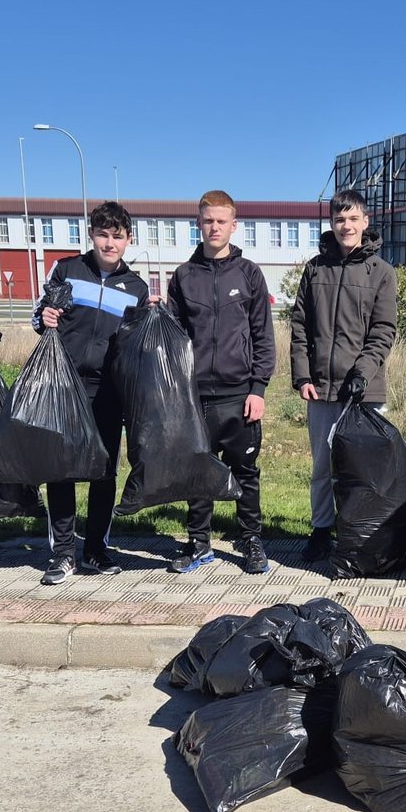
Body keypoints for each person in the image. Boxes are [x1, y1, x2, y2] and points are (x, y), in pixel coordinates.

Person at [30, 201, 150, 586]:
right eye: (103, 234)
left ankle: (95, 549)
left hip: (109, 392)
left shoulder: (137, 288)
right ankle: (63, 554)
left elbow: (138, 345)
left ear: (128, 240)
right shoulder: (67, 270)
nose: (109, 243)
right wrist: (44, 317)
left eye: (117, 236)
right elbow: (40, 315)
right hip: (64, 384)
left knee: (103, 470)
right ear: (91, 235)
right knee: (59, 468)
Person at [165, 189, 275, 574]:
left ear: (233, 225)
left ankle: (251, 540)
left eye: (221, 221)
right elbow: (174, 337)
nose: (214, 227)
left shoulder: (249, 274)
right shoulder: (183, 276)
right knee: (198, 472)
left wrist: (258, 389)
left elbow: (263, 335)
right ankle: (199, 544)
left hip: (239, 395)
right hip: (195, 397)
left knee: (245, 473)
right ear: (199, 223)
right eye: (208, 220)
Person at [289, 189, 398, 564]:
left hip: (364, 393)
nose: (346, 226)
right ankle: (321, 531)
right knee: (323, 467)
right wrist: (302, 376)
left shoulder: (382, 273)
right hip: (321, 391)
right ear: (331, 224)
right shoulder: (315, 269)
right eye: (339, 219)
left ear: (365, 222)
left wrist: (362, 373)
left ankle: (361, 537)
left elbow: (384, 330)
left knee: (363, 471)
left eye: (353, 219)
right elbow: (300, 327)